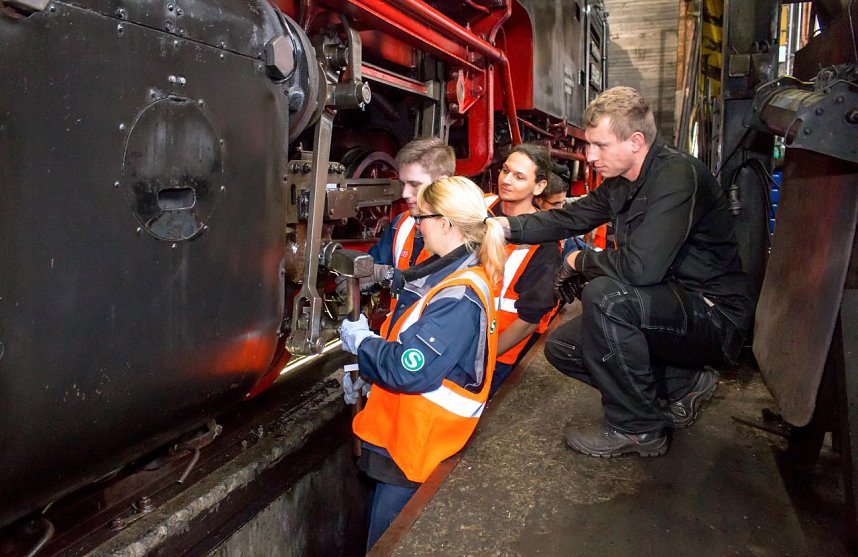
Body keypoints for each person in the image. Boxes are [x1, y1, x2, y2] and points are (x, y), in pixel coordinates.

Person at [495, 86, 753, 457]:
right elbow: (570, 218)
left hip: (713, 313)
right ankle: (685, 384)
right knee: (565, 347)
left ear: (635, 141)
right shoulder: (620, 184)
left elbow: (640, 268)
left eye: (599, 145)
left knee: (606, 297)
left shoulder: (676, 177)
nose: (589, 155)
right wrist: (503, 227)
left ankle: (638, 429)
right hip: (672, 305)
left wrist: (577, 262)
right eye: (588, 145)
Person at [339, 176, 506, 552]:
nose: (417, 226)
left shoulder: (459, 295)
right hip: (407, 436)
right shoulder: (450, 271)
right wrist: (369, 372)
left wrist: (364, 344)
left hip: (417, 449)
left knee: (386, 544)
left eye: (422, 218)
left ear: (446, 223)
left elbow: (409, 370)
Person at [486, 144, 562, 396]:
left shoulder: (545, 243)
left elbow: (529, 320)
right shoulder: (477, 208)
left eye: (519, 177)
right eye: (505, 170)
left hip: (495, 356)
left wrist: (485, 356)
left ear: (539, 186)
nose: (506, 180)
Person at [365, 137, 456, 285]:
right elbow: (373, 264)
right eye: (403, 184)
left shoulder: (467, 230)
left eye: (414, 184)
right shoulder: (402, 224)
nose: (405, 193)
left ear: (442, 182)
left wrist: (387, 275)